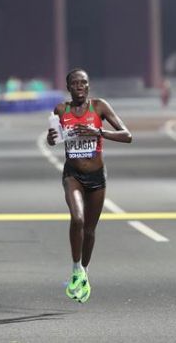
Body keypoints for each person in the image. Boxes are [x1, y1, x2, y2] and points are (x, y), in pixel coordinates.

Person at [47, 68, 132, 303]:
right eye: (75, 83)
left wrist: (99, 132)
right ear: (68, 87)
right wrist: (50, 138)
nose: (80, 87)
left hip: (97, 177)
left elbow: (127, 135)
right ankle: (76, 268)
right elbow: (52, 137)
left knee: (90, 231)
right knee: (78, 219)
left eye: (83, 83)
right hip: (72, 174)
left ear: (88, 85)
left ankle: (84, 271)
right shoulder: (60, 110)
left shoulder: (100, 106)